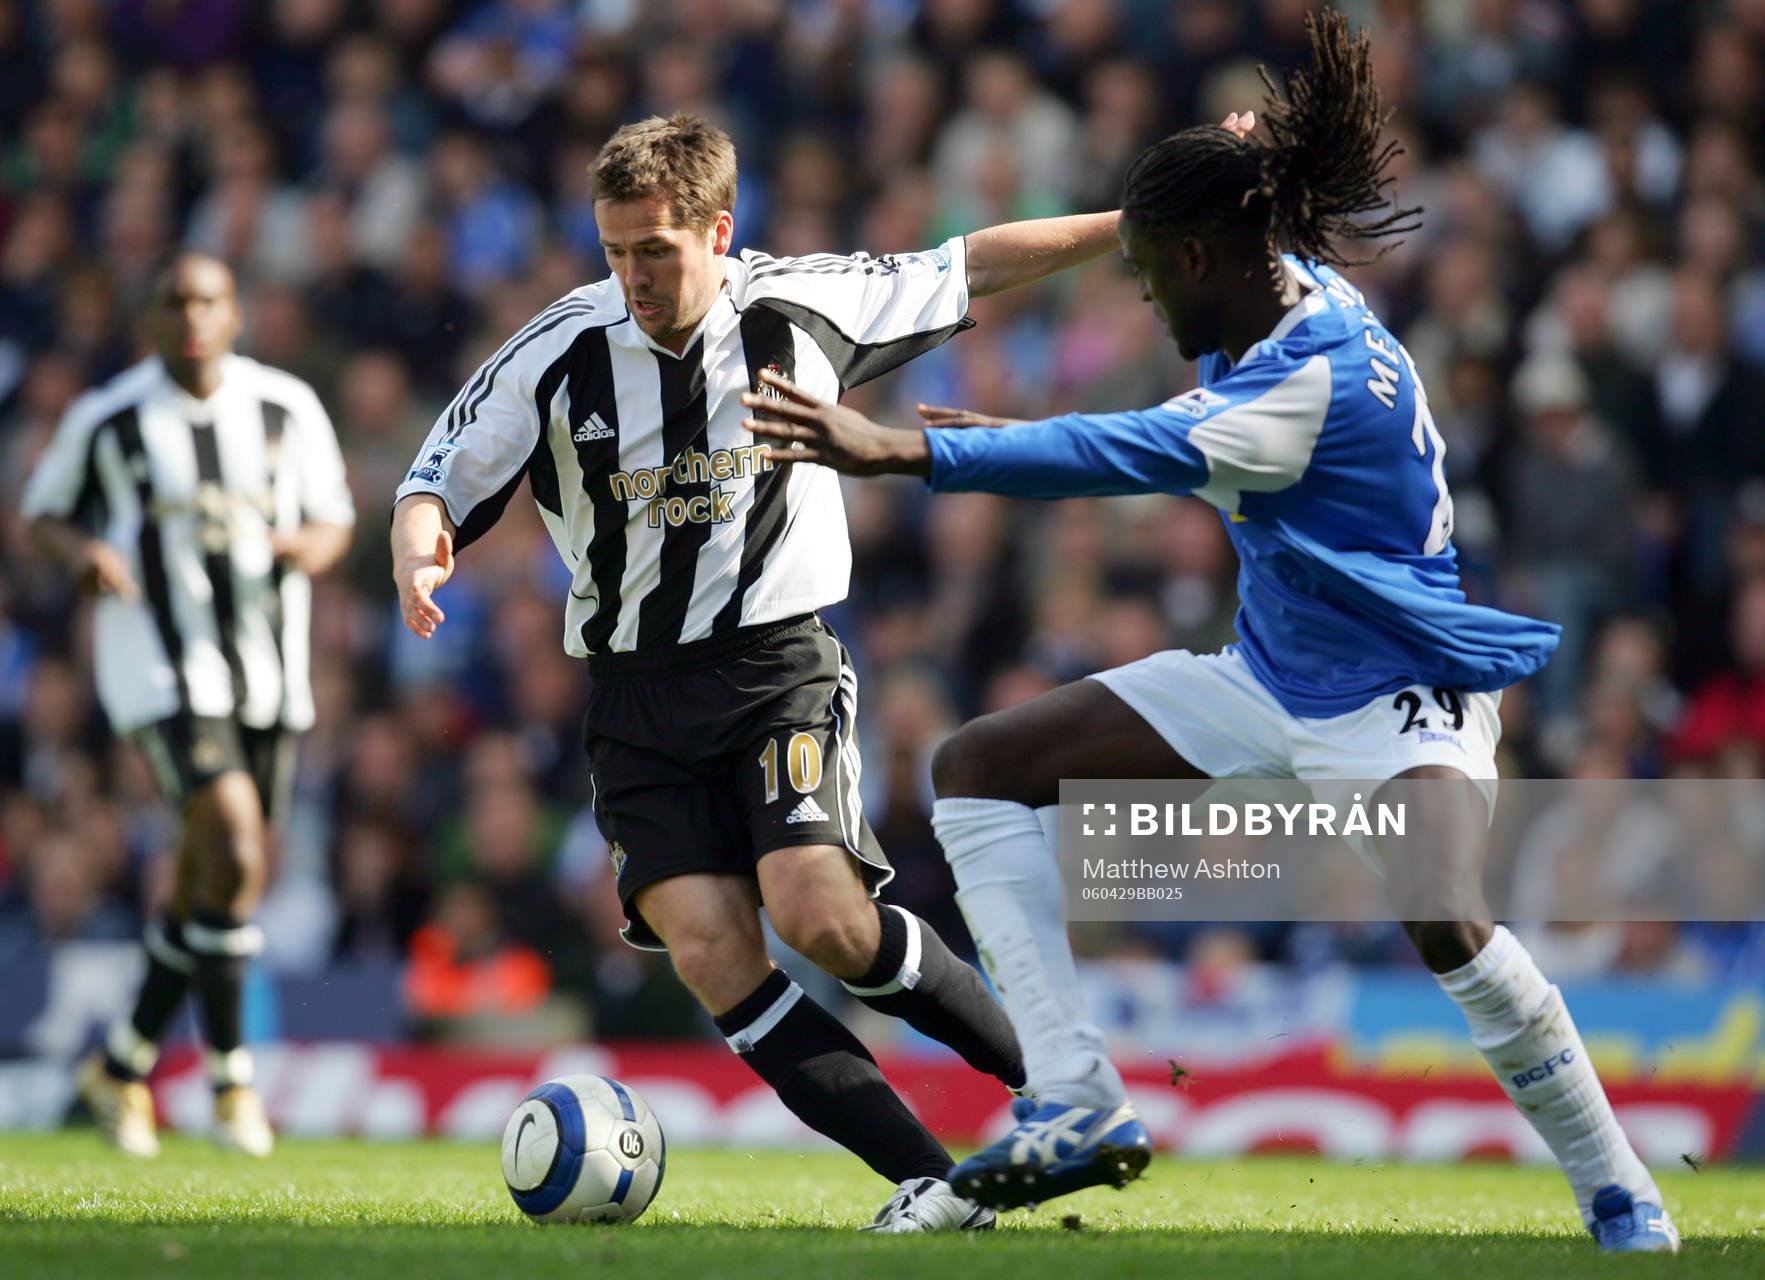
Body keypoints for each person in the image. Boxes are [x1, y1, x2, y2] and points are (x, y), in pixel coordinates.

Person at [739, 12, 1678, 1254]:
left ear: (1201, 256)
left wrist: (904, 449)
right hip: (1269, 671)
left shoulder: (1301, 386)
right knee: (977, 766)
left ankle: (1619, 1186)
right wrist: (1231, 148)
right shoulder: (1289, 286)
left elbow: (1121, 449)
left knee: (1441, 913)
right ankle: (1072, 1094)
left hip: (1400, 693)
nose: (1142, 290)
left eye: (1149, 268)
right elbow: (1170, 387)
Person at [391, 110, 1244, 1231]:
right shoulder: (558, 349)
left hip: (772, 663)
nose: (634, 274)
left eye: (656, 248)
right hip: (634, 694)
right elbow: (436, 470)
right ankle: (932, 1181)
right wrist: (420, 543)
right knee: (708, 946)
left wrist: (1135, 223)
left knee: (820, 910)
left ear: (718, 230)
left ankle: (1065, 1094)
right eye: (613, 251)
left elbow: (967, 264)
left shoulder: (801, 303)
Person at [23, 252, 356, 1157]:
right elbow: (43, 512)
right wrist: (81, 555)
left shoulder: (287, 407)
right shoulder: (110, 419)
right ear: (150, 320)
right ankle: (230, 1081)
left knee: (217, 876)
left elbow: (334, 515)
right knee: (236, 839)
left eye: (207, 299)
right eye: (173, 302)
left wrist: (309, 550)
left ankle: (124, 1064)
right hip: (161, 672)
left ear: (235, 312)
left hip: (270, 673)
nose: (192, 316)